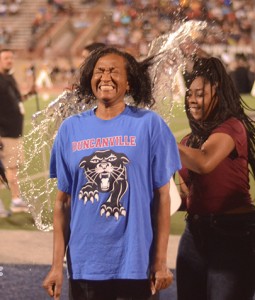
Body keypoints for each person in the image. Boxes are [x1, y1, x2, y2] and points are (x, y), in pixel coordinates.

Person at [43, 46, 181, 300]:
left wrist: (160, 261)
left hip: (136, 262)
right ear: (90, 79)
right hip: (85, 262)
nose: (105, 77)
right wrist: (56, 266)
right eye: (100, 71)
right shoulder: (70, 129)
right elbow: (62, 203)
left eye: (114, 72)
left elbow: (163, 197)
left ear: (129, 83)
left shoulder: (149, 125)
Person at [176, 56, 255, 300]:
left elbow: (204, 162)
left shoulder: (232, 127)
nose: (192, 100)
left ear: (217, 94)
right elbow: (192, 197)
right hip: (194, 232)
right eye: (190, 94)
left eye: (200, 94)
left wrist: (159, 138)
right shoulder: (187, 142)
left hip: (233, 234)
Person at [0, 48, 33, 215]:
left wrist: (28, 94)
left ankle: (15, 200)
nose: (9, 61)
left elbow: (15, 102)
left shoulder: (9, 78)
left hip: (14, 131)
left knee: (12, 169)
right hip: (4, 133)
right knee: (7, 170)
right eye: (6, 58)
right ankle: (13, 201)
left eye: (11, 58)